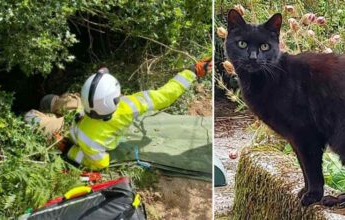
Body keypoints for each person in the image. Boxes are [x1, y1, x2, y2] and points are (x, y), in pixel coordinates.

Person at [25, 59, 211, 170]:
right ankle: (55, 104)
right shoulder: (129, 105)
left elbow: (100, 164)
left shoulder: (89, 139)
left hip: (69, 131)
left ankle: (48, 111)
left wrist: (69, 149)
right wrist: (192, 71)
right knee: (70, 104)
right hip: (81, 113)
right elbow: (165, 95)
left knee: (30, 118)